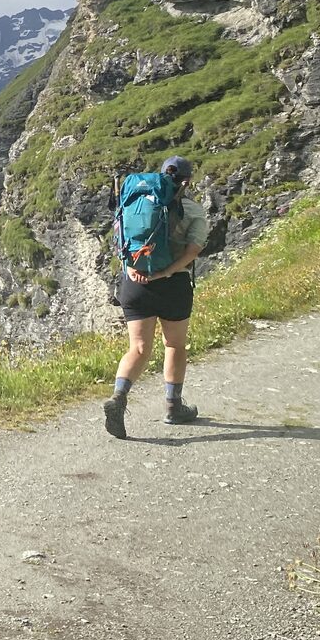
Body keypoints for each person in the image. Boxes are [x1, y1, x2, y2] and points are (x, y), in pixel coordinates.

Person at [103, 155, 209, 438]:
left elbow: (121, 243)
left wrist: (134, 270)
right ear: (186, 181)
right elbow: (193, 250)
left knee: (138, 347)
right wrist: (163, 274)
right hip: (172, 284)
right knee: (174, 344)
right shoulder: (192, 210)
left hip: (135, 284)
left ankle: (118, 397)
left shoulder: (134, 204)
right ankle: (173, 407)